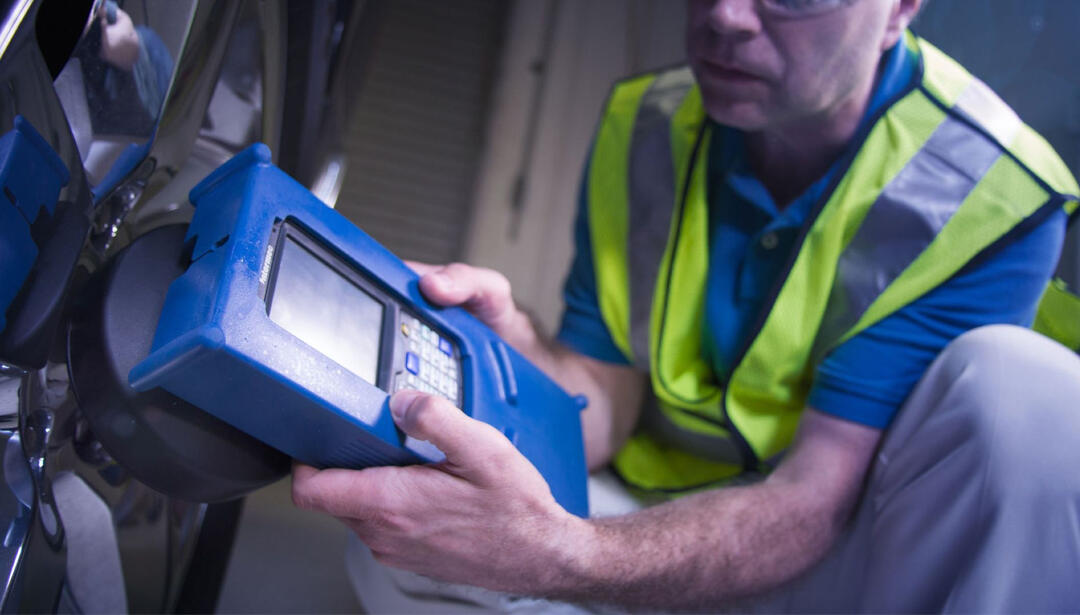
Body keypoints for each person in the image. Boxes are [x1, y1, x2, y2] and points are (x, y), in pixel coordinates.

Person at [292, 0, 1080, 611]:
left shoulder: (991, 188)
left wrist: (560, 554)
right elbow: (606, 397)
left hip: (846, 562)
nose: (725, 18)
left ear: (903, 8)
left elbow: (812, 502)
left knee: (1028, 385)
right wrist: (515, 355)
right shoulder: (650, 120)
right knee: (423, 544)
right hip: (651, 519)